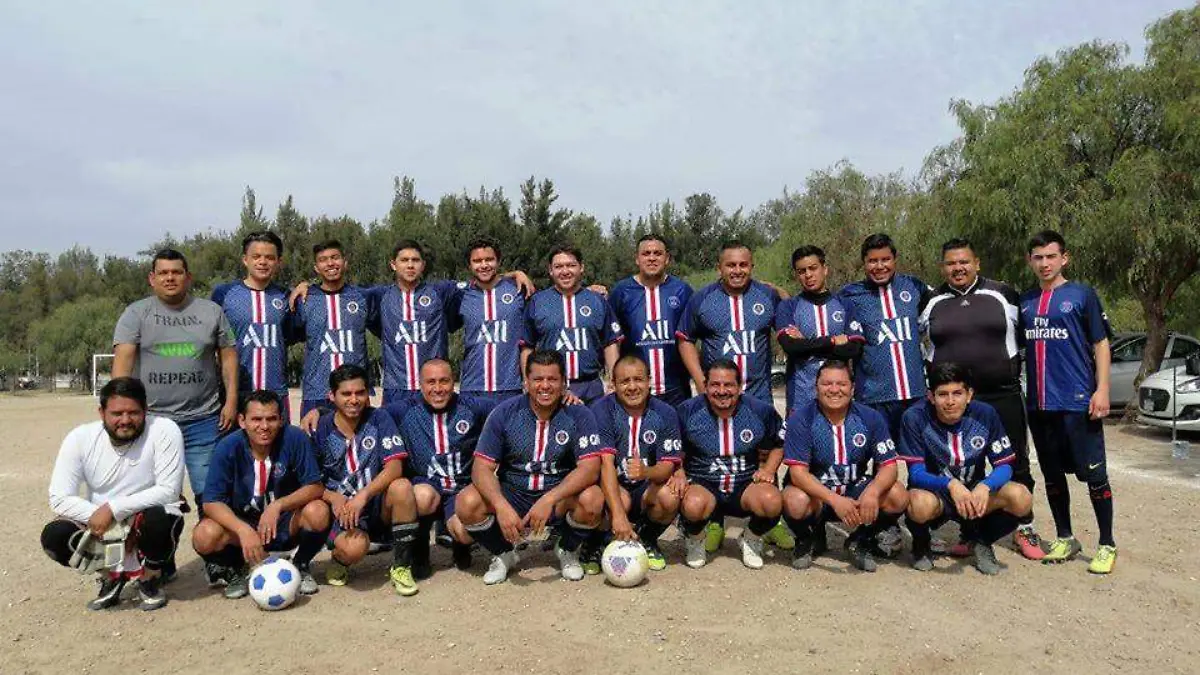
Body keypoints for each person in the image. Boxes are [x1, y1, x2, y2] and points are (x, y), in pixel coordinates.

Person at [112, 248, 237, 581]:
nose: (170, 278)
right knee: (158, 498)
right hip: (152, 424)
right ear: (152, 278)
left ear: (188, 277)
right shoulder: (136, 314)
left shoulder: (211, 312)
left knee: (210, 494)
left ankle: (217, 558)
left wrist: (232, 401)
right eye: (163, 273)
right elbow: (122, 369)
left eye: (177, 272)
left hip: (203, 420)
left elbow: (228, 359)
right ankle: (159, 560)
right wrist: (121, 413)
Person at [919, 237, 1043, 560]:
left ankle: (1024, 527)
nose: (957, 268)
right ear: (942, 267)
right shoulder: (931, 301)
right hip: (954, 399)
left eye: (964, 262)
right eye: (950, 263)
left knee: (1015, 463)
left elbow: (1031, 339)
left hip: (1002, 394)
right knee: (959, 468)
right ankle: (970, 531)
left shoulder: (1004, 294)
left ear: (977, 263)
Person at [455, 350, 607, 585]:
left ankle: (567, 549)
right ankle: (504, 553)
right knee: (466, 503)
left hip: (557, 497)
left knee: (593, 499)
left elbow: (590, 468)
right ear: (526, 382)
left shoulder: (578, 414)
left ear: (564, 381)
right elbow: (481, 468)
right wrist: (501, 505)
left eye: (552, 379)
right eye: (538, 379)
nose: (545, 386)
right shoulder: (504, 413)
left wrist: (549, 499)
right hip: (514, 494)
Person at [1019, 230, 1116, 574]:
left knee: (1094, 476)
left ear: (1064, 258)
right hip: (1040, 405)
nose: (1044, 263)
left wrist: (1102, 389)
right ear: (1030, 260)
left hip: (1076, 401)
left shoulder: (1081, 295)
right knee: (1052, 476)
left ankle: (1106, 544)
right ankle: (1065, 537)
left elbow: (1101, 343)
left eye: (1050, 256)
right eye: (1038, 257)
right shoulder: (1026, 302)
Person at [43, 377, 184, 611]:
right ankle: (110, 576)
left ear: (145, 410)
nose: (125, 420)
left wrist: (114, 510)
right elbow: (58, 497)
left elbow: (169, 491)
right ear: (101, 412)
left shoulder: (164, 430)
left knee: (161, 517)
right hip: (102, 527)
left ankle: (150, 577)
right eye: (117, 413)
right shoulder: (80, 438)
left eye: (134, 413)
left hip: (145, 518)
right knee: (54, 536)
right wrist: (110, 524)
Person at [837, 233, 931, 557]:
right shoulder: (850, 294)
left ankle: (923, 531)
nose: (879, 266)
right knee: (878, 469)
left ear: (895, 259)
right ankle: (880, 527)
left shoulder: (915, 288)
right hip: (874, 399)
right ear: (864, 263)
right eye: (872, 261)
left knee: (922, 466)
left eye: (885, 259)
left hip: (916, 397)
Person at [191, 390, 330, 599]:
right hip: (243, 524)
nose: (264, 427)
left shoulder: (294, 438)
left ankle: (301, 564)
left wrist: (278, 505)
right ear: (242, 420)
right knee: (204, 535)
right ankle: (236, 570)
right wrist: (243, 530)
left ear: (281, 420)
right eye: (256, 419)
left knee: (318, 511)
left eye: (271, 419)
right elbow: (211, 502)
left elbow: (315, 486)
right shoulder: (227, 447)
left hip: (283, 522)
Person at [901, 363, 1034, 575]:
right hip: (937, 495)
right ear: (931, 396)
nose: (951, 401)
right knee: (917, 503)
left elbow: (1005, 465)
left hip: (974, 494)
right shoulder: (914, 417)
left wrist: (985, 486)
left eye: (957, 393)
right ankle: (921, 542)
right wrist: (950, 484)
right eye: (942, 394)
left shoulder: (985, 414)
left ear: (969, 394)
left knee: (1021, 497)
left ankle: (980, 540)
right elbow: (916, 474)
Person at [782, 360, 908, 573]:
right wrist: (834, 500)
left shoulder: (870, 418)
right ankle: (808, 539)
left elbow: (889, 465)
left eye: (841, 384)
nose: (834, 390)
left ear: (852, 388)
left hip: (853, 487)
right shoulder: (801, 419)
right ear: (816, 388)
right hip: (817, 493)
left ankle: (860, 540)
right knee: (794, 500)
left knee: (898, 495)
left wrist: (872, 493)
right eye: (826, 384)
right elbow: (798, 474)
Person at [312, 364, 419, 596]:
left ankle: (401, 566)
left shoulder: (379, 419)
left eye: (360, 393)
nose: (354, 400)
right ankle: (340, 559)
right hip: (342, 511)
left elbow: (394, 467)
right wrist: (332, 497)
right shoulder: (319, 428)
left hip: (374, 504)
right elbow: (309, 481)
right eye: (346, 394)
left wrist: (364, 495)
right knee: (354, 548)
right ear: (332, 396)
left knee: (402, 487)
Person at [677, 360, 785, 570]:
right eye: (715, 385)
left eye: (728, 385)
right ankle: (696, 539)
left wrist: (769, 469)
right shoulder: (687, 411)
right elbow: (672, 450)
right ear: (705, 385)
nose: (722, 391)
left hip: (744, 484)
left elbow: (779, 443)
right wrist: (679, 472)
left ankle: (751, 538)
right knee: (692, 505)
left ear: (740, 386)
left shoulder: (760, 411)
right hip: (704, 483)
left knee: (772, 501)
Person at [387, 359, 491, 577]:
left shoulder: (471, 407)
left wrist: (565, 397)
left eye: (444, 381)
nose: (438, 389)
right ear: (420, 384)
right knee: (421, 497)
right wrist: (320, 412)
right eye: (431, 382)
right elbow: (363, 413)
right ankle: (420, 550)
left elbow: (513, 406)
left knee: (465, 533)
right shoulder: (403, 410)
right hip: (427, 484)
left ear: (454, 382)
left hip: (460, 488)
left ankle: (460, 545)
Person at [591, 355, 685, 572]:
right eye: (625, 381)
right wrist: (618, 515)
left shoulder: (666, 413)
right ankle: (597, 543)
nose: (632, 387)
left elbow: (667, 467)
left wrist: (646, 471)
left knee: (670, 496)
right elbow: (606, 463)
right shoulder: (601, 410)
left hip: (646, 488)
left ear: (649, 380)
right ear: (613, 384)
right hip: (615, 485)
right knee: (615, 501)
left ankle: (647, 540)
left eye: (638, 380)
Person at [677, 241, 781, 405]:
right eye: (731, 265)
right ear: (719, 268)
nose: (738, 271)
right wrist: (700, 381)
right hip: (717, 398)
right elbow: (685, 339)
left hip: (759, 398)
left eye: (743, 265)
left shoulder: (768, 296)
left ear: (751, 267)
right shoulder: (702, 299)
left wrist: (782, 292)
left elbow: (789, 327)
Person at [211, 231, 297, 421]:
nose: (262, 262)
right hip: (236, 393)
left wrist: (305, 286)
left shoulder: (285, 296)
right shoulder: (224, 294)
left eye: (269, 257)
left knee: (278, 449)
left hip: (276, 392)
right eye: (256, 256)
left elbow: (291, 335)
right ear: (245, 259)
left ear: (278, 262)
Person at [523, 244, 623, 405]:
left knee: (593, 430)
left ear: (581, 267)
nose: (565, 271)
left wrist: (614, 380)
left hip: (591, 387)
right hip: (551, 388)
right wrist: (528, 381)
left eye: (571, 265)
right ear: (550, 270)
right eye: (558, 266)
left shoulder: (597, 301)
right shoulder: (538, 302)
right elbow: (527, 345)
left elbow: (610, 343)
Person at [293, 240, 377, 428]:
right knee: (315, 451)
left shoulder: (363, 297)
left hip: (356, 394)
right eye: (323, 260)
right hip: (317, 393)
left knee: (359, 451)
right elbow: (290, 334)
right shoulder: (305, 299)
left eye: (335, 257)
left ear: (345, 262)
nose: (330, 263)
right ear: (316, 267)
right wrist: (300, 286)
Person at [775, 245, 864, 416]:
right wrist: (831, 341)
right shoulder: (788, 307)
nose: (808, 275)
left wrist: (806, 343)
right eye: (802, 271)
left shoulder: (845, 305)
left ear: (825, 269)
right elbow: (791, 347)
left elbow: (853, 349)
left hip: (838, 398)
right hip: (800, 399)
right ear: (796, 275)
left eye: (813, 268)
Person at [608, 235, 695, 407]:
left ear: (667, 258)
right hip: (634, 390)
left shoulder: (682, 290)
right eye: (646, 253)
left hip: (676, 391)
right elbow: (612, 340)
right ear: (637, 259)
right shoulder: (621, 292)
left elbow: (693, 336)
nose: (652, 258)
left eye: (657, 253)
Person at [452, 238, 529, 411]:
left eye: (489, 259)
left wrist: (589, 290)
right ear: (469, 265)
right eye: (477, 261)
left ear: (498, 261)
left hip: (510, 387)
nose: (484, 265)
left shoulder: (517, 289)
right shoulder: (461, 294)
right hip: (473, 387)